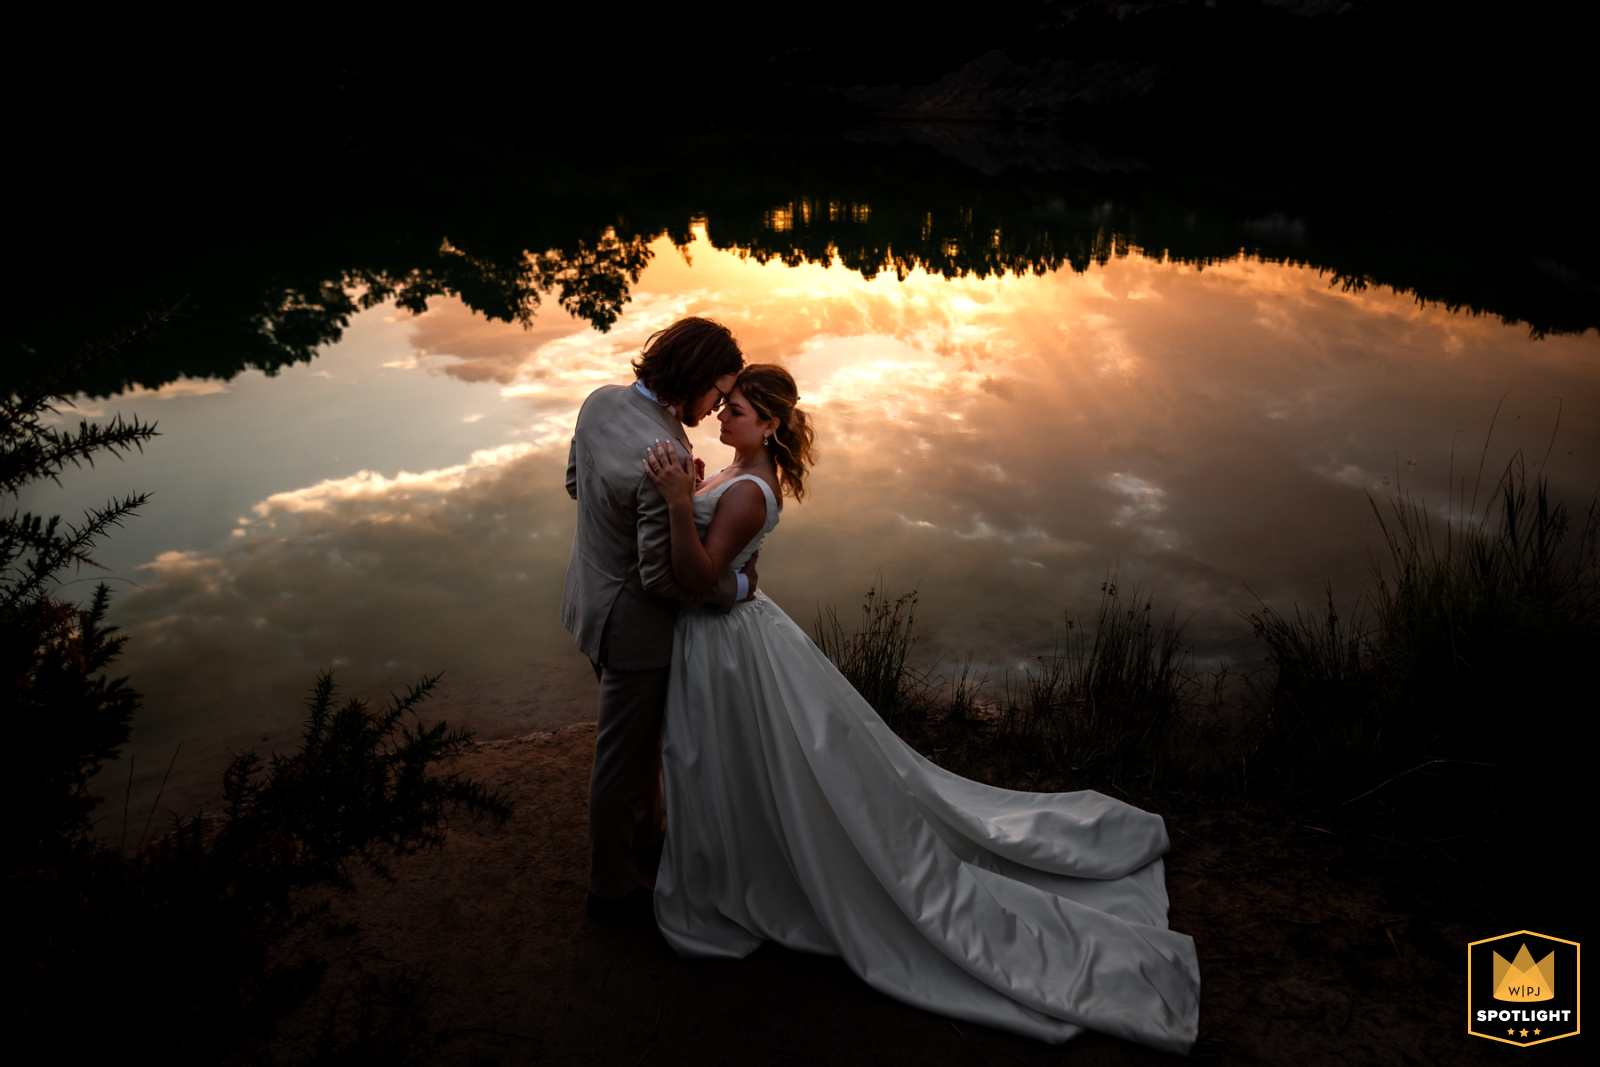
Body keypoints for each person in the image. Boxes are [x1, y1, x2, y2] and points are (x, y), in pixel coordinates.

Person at [640, 363, 1201, 1053]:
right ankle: (742, 854)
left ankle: (747, 874)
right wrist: (700, 497)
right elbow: (726, 569)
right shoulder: (736, 472)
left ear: (772, 424)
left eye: (737, 411)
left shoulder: (753, 491)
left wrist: (679, 505)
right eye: (725, 404)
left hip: (726, 645)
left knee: (735, 756)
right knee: (745, 760)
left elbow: (699, 576)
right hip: (729, 638)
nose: (722, 416)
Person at [561, 316, 758, 922]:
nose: (719, 405)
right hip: (634, 629)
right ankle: (611, 887)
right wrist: (736, 587)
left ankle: (648, 835)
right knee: (622, 758)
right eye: (719, 392)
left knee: (637, 743)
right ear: (695, 376)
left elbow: (575, 484)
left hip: (588, 599)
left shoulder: (600, 402)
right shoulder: (665, 451)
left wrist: (669, 502)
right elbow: (663, 579)